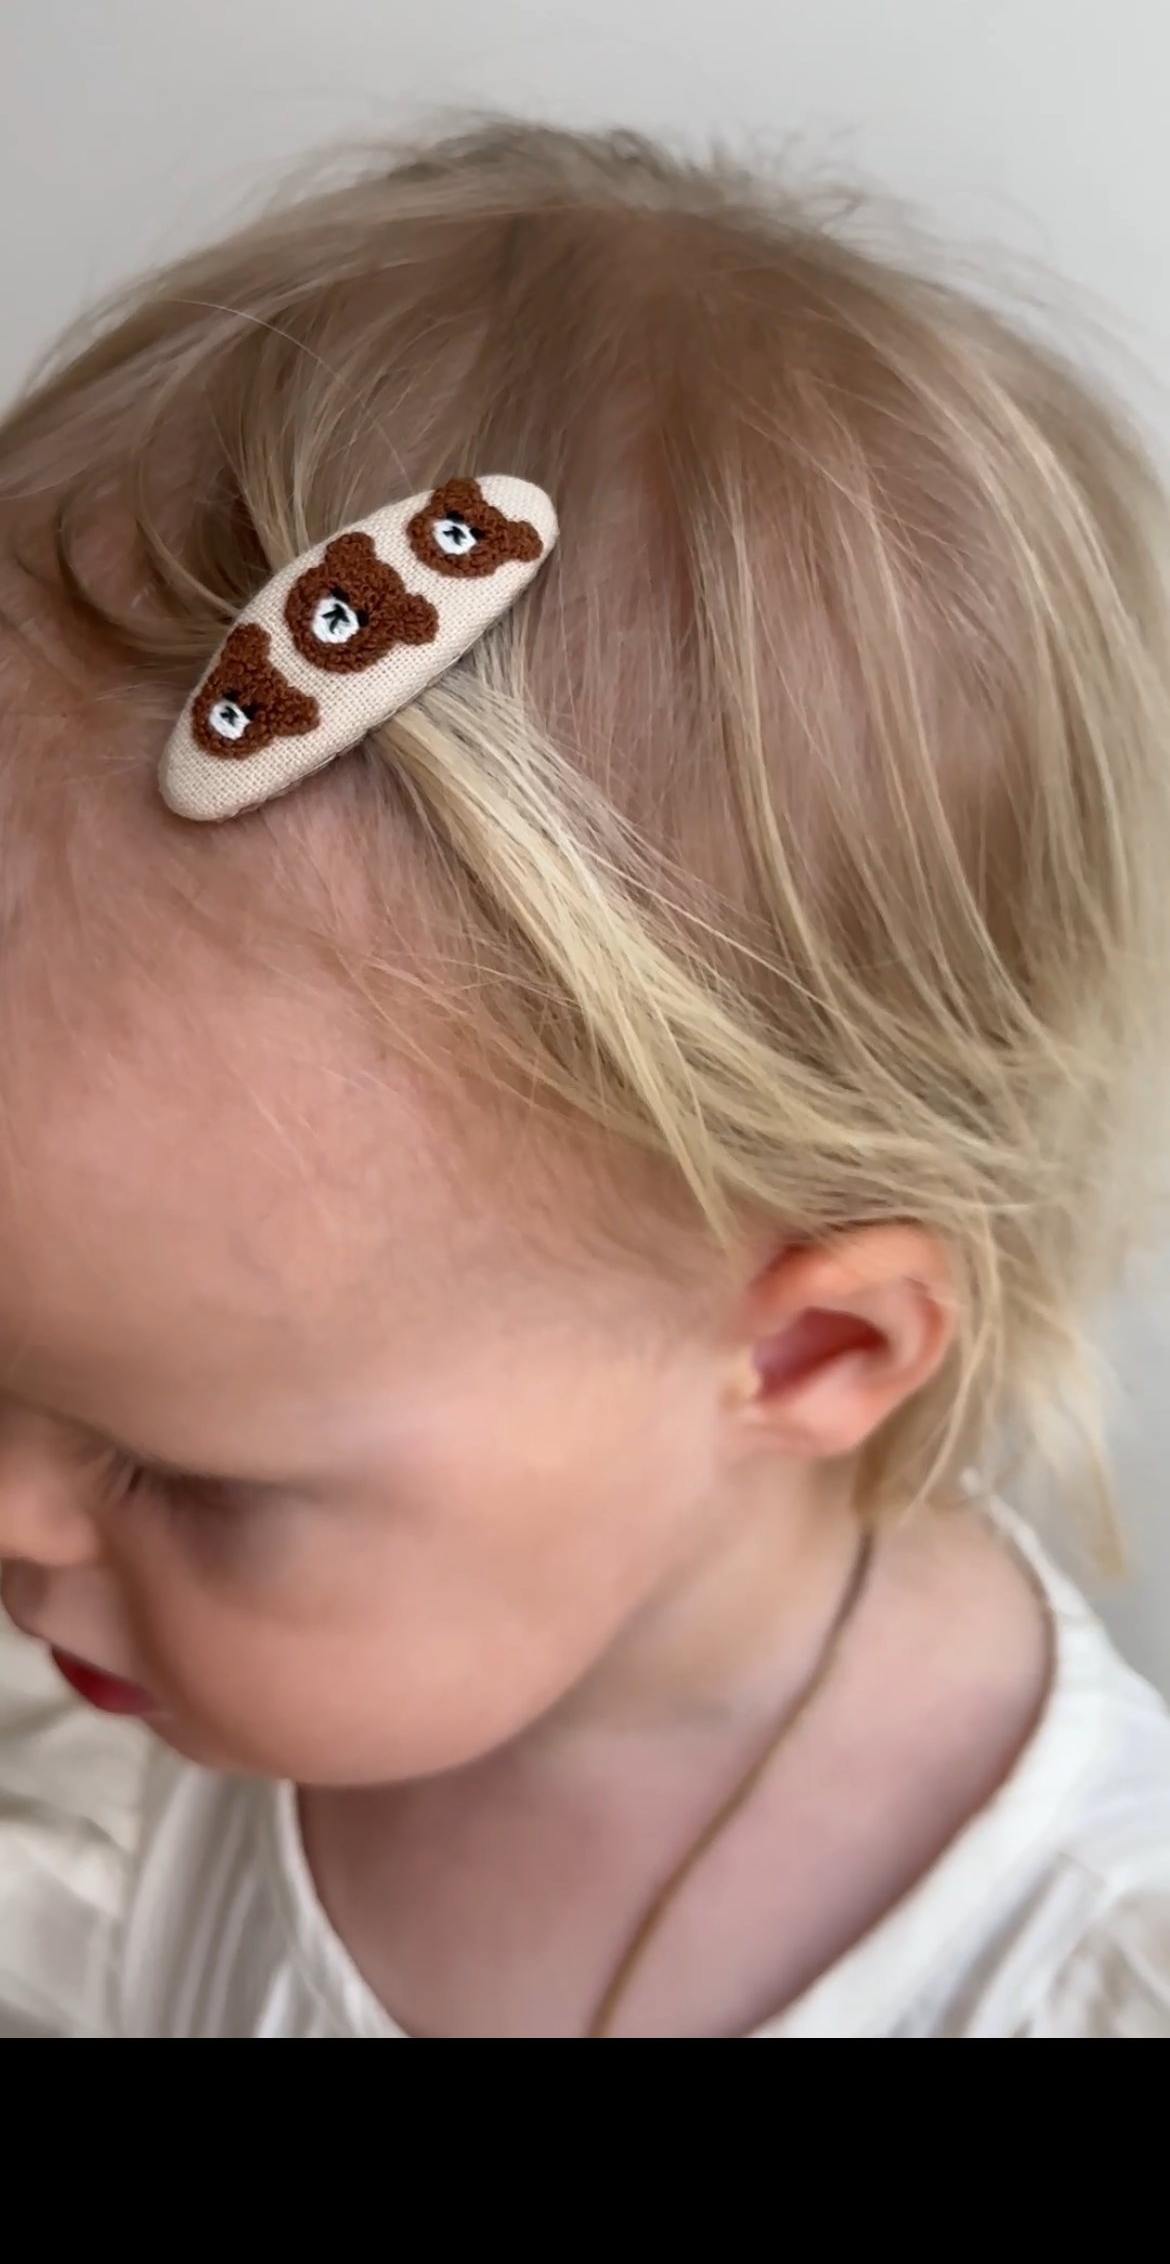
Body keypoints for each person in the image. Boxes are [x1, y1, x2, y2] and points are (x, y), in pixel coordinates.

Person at [0, 122, 1168, 2039]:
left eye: (171, 1471)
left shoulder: (1071, 1978)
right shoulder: (90, 1767)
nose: (20, 1520)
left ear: (804, 1360)